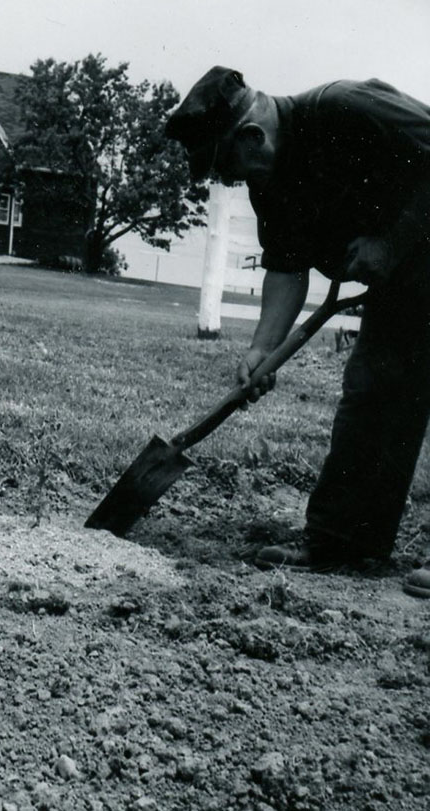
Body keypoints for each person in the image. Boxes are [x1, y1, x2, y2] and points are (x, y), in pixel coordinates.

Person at [164, 67, 430, 598]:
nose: (235, 184)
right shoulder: (275, 181)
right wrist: (262, 349)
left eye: (229, 170)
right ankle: (343, 541)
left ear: (251, 137)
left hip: (413, 253)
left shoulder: (348, 107)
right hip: (410, 284)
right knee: (372, 388)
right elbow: (287, 266)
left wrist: (391, 242)